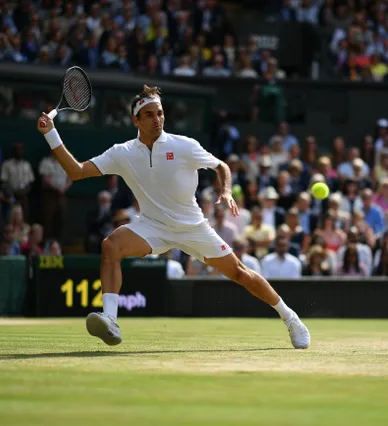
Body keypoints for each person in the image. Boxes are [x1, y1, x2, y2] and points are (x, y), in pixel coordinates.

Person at [36, 85, 310, 349]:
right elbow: (77, 172)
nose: (157, 119)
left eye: (160, 113)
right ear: (136, 120)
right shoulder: (122, 153)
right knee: (111, 245)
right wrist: (51, 135)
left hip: (192, 226)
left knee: (240, 273)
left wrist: (226, 191)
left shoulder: (184, 145)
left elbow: (222, 166)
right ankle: (111, 319)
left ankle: (291, 318)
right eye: (149, 115)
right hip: (152, 226)